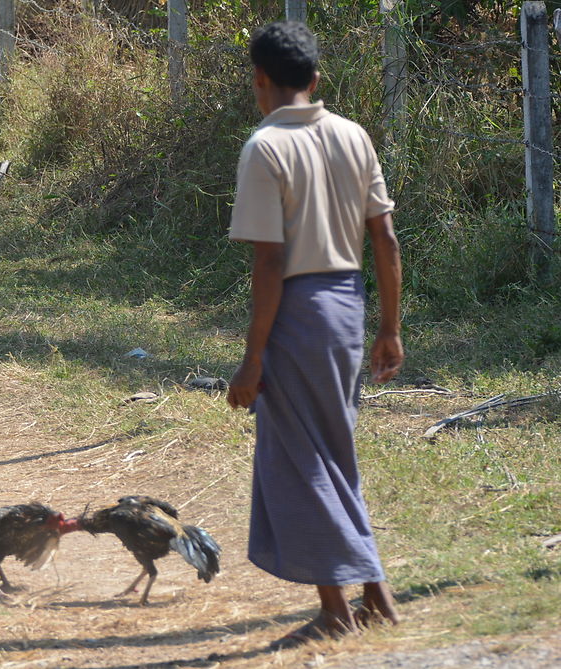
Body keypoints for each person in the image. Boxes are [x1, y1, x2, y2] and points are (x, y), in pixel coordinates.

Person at [226, 22, 403, 647]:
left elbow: (270, 263)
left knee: (301, 458)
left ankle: (336, 611)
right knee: (336, 448)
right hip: (347, 308)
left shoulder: (265, 148)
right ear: (316, 79)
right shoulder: (353, 135)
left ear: (261, 80)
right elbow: (384, 238)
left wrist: (252, 359)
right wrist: (389, 327)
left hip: (297, 313)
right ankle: (376, 594)